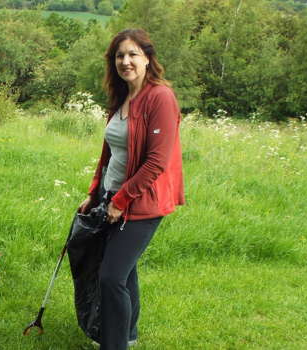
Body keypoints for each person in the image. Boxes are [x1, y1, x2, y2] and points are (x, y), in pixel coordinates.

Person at [80, 28, 185, 350]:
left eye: (133, 54)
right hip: (111, 196)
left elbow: (156, 162)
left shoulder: (160, 97)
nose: (125, 61)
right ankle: (128, 335)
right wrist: (95, 192)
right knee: (124, 272)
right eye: (119, 56)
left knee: (111, 277)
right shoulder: (122, 98)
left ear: (148, 58)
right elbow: (109, 152)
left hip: (142, 203)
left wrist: (121, 200)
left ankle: (115, 345)